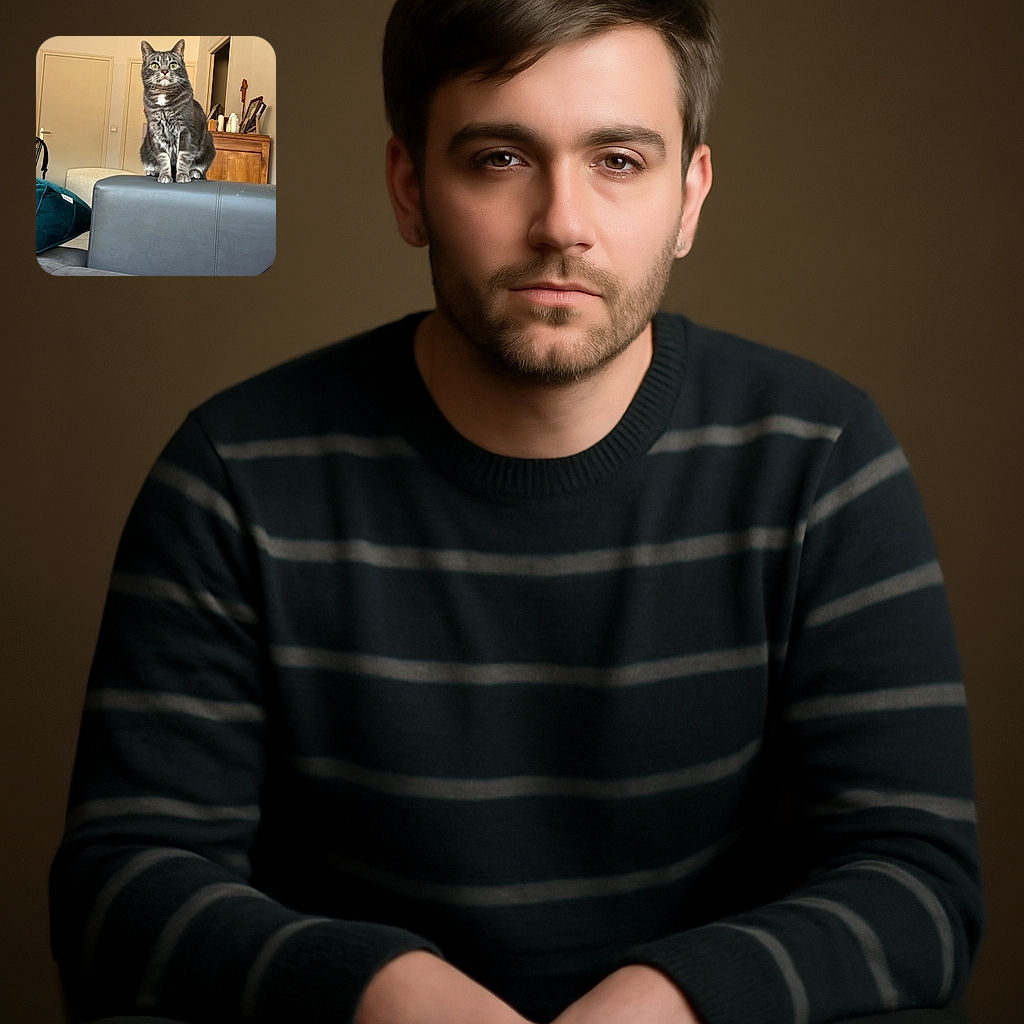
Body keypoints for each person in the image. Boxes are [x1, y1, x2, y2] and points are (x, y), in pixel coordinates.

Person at [49, 2, 983, 1023]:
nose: (561, 224)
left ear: (689, 196)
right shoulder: (234, 475)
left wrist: (667, 1000)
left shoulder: (821, 457)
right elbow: (122, 887)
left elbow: (917, 883)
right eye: (498, 158)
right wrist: (384, 991)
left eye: (619, 161)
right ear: (410, 189)